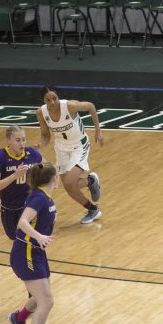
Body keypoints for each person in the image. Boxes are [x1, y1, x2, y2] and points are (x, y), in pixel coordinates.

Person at [0, 125, 42, 324]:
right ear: (8, 141)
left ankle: (33, 294)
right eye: (18, 140)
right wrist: (14, 176)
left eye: (24, 139)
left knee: (31, 247)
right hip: (10, 211)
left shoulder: (32, 154)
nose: (22, 143)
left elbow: (46, 171)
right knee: (22, 248)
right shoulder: (0, 157)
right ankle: (32, 291)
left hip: (29, 208)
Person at [9, 161, 58, 324]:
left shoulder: (44, 196)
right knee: (46, 301)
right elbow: (22, 222)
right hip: (26, 253)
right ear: (54, 178)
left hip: (36, 252)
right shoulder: (39, 198)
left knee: (40, 299)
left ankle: (19, 319)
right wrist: (39, 236)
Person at [36, 86, 103, 224]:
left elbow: (90, 106)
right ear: (43, 100)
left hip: (79, 146)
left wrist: (98, 130)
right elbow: (45, 135)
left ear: (58, 97)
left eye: (54, 98)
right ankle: (91, 190)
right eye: (48, 100)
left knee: (69, 182)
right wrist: (39, 146)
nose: (52, 102)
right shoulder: (41, 113)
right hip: (61, 148)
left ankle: (93, 200)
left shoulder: (70, 106)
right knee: (68, 187)